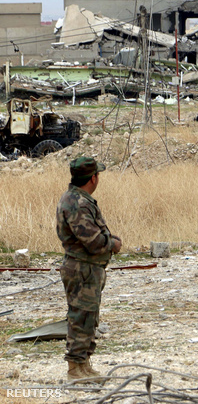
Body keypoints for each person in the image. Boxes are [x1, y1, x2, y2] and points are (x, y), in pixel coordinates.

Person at [56, 157, 122, 382]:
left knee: (87, 318)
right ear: (93, 178)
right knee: (81, 318)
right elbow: (93, 241)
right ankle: (75, 369)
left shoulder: (77, 199)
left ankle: (83, 364)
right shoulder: (78, 203)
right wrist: (112, 243)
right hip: (82, 268)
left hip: (87, 269)